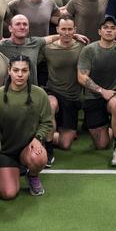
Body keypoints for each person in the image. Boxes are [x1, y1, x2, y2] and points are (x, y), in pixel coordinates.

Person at [0, 56, 53, 199]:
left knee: (39, 157)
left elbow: (46, 122)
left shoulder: (39, 94)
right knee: (9, 194)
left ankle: (32, 176)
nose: (20, 74)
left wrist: (38, 138)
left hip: (27, 148)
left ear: (30, 72)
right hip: (5, 151)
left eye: (24, 70)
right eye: (16, 70)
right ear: (9, 71)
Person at [77, 16, 116, 167]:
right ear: (99, 31)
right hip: (93, 96)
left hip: (115, 94)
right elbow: (82, 77)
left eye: (112, 28)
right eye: (106, 27)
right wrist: (101, 91)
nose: (109, 30)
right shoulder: (89, 50)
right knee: (101, 144)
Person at [42, 17, 86, 154]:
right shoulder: (47, 49)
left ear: (75, 30)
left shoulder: (82, 46)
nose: (66, 32)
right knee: (50, 104)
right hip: (53, 91)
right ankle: (48, 149)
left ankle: (47, 136)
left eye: (69, 29)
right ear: (57, 30)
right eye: (63, 29)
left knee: (65, 144)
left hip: (72, 98)